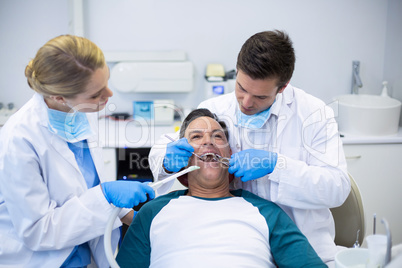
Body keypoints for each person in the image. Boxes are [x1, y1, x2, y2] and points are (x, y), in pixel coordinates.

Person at [148, 30, 350, 265]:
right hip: (241, 242)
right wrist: (166, 160)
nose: (246, 103)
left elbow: (337, 187)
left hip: (302, 244)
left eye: (260, 97)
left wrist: (277, 166)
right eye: (241, 88)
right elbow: (167, 145)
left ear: (282, 87)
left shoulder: (314, 114)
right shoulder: (214, 108)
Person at [0, 35, 155, 268]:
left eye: (106, 83)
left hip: (84, 251)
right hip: (40, 260)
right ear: (59, 97)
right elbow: (38, 232)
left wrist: (140, 218)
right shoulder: (19, 140)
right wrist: (106, 197)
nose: (109, 95)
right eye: (95, 94)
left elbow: (86, 189)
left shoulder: (78, 115)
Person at [117, 108, 326, 268]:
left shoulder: (267, 213)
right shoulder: (152, 212)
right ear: (182, 160)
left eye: (218, 136)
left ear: (231, 156)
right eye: (197, 137)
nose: (208, 141)